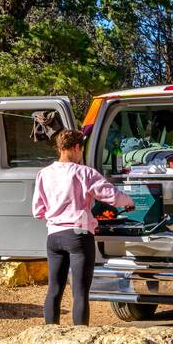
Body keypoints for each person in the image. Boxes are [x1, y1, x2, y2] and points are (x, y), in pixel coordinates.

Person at [31, 129, 135, 325]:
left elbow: (38, 211)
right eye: (81, 150)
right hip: (78, 235)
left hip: (53, 236)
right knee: (79, 292)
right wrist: (129, 201)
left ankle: (49, 334)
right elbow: (110, 195)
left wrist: (56, 216)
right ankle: (80, 337)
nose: (81, 155)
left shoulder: (43, 174)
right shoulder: (84, 172)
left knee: (54, 289)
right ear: (77, 147)